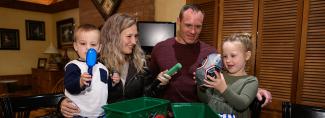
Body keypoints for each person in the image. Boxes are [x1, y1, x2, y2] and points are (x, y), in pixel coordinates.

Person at [149, 4, 272, 105]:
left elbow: (229, 77)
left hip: (199, 112)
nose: (193, 31)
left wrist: (254, 90)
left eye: (198, 27)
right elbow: (148, 84)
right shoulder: (160, 48)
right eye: (188, 25)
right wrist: (157, 80)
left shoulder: (212, 53)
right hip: (167, 112)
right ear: (178, 21)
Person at [59, 13, 155, 117]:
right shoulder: (97, 62)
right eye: (128, 36)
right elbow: (70, 86)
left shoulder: (141, 62)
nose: (134, 41)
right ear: (114, 36)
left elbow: (148, 96)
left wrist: (159, 84)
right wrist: (61, 103)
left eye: (136, 36)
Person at [198, 33, 258, 118]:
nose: (228, 60)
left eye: (233, 56)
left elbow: (242, 104)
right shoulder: (219, 75)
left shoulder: (251, 81)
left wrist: (223, 88)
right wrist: (201, 84)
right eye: (225, 56)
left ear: (247, 56)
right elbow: (206, 100)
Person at [64, 24, 118, 117]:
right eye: (83, 43)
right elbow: (69, 86)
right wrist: (80, 81)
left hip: (100, 114)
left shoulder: (103, 68)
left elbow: (104, 87)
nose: (88, 47)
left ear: (99, 48)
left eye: (93, 44)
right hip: (79, 114)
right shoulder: (73, 66)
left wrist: (113, 82)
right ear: (75, 46)